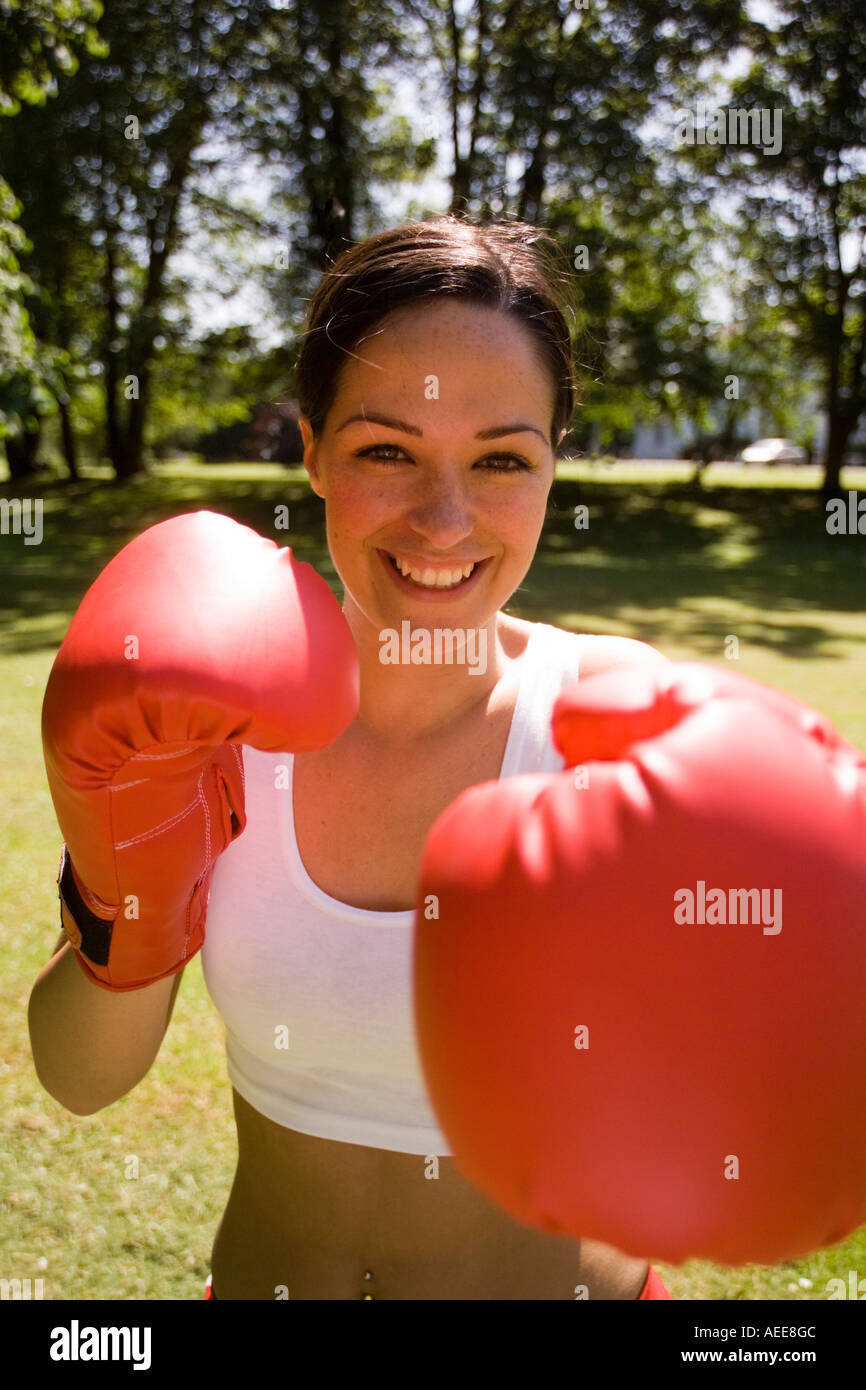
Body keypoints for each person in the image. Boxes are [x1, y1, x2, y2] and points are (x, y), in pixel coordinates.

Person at [30, 214, 672, 1300]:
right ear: (314, 453)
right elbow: (81, 1078)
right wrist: (124, 888)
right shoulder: (213, 711)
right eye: (388, 450)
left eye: (501, 460)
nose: (444, 519)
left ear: (551, 470)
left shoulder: (612, 724)